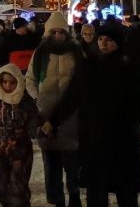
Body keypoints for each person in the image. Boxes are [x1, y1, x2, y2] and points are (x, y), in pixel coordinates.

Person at [76, 22, 140, 207]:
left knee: (125, 191)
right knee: (96, 191)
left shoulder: (129, 69)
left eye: (108, 40)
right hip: (95, 140)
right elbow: (73, 96)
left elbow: (139, 106)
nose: (103, 43)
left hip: (122, 142)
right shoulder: (88, 67)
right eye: (100, 39)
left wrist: (131, 131)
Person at [26, 11, 85, 207]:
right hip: (46, 115)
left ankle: (74, 196)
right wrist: (37, 100)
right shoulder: (40, 53)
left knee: (72, 164)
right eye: (54, 32)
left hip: (71, 117)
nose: (58, 36)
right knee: (51, 165)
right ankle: (57, 200)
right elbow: (31, 80)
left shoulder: (77, 52)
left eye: (61, 32)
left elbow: (84, 80)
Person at [0, 64, 42, 207]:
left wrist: (40, 129)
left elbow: (35, 122)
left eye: (12, 82)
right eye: (4, 82)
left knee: (18, 188)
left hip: (20, 152)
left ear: (19, 82)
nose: (8, 85)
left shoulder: (25, 102)